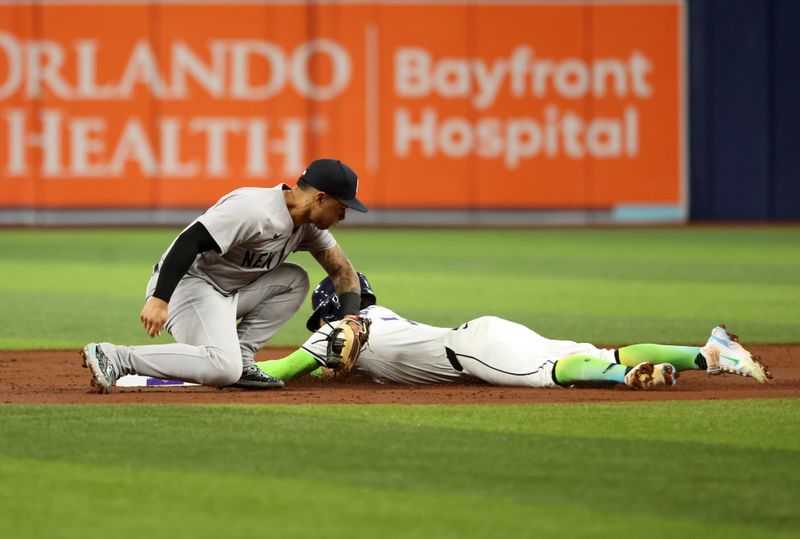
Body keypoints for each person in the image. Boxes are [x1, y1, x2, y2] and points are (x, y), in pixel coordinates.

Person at [81, 159, 367, 393]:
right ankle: (116, 357)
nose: (343, 216)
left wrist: (350, 320)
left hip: (227, 293)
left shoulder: (308, 227)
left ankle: (242, 362)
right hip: (188, 286)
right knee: (221, 368)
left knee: (295, 280)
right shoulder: (253, 209)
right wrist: (160, 298)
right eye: (341, 208)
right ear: (320, 198)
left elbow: (342, 270)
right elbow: (188, 242)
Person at [256, 273, 772, 389]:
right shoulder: (380, 318)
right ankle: (711, 353)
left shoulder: (335, 332)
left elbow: (278, 370)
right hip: (483, 335)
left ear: (328, 313)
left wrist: (221, 371)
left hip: (477, 350)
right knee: (597, 348)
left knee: (551, 372)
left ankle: (623, 377)